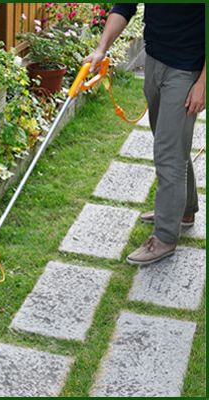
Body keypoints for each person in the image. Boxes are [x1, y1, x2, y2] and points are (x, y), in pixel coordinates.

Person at [84, 3, 206, 265]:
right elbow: (124, 7)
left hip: (186, 71)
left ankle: (164, 238)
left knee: (168, 153)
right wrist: (101, 49)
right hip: (154, 61)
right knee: (170, 142)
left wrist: (203, 83)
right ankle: (183, 211)